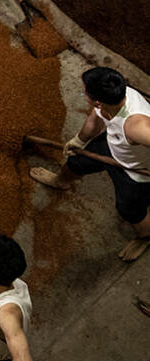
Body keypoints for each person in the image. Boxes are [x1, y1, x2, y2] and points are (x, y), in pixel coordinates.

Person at [30, 67, 150, 261]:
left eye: (84, 91)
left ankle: (145, 236)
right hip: (112, 147)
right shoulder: (109, 99)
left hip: (135, 171)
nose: (83, 92)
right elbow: (94, 121)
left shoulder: (137, 125)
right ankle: (61, 181)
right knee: (76, 161)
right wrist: (78, 141)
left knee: (129, 209)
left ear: (96, 100)